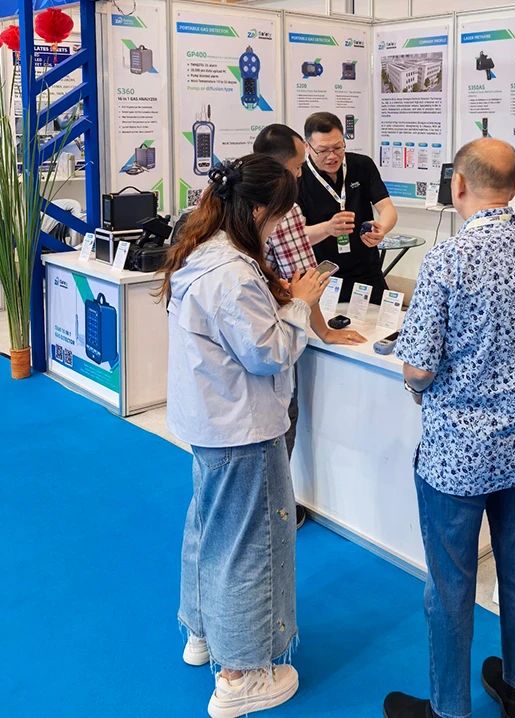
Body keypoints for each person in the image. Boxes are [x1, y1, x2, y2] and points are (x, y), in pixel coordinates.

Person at [384, 139, 515, 718]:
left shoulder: (446, 260)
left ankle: (449, 708)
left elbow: (418, 368)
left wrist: (418, 390)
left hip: (458, 455)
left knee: (450, 581)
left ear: (458, 185)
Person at [161, 155, 330, 718]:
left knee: (209, 529)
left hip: (211, 422)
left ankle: (202, 632)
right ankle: (240, 675)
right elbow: (269, 354)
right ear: (259, 210)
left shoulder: (202, 250)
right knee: (250, 545)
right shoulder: (232, 273)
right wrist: (301, 304)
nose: (282, 225)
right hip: (242, 428)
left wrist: (280, 299)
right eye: (280, 214)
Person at [253, 123, 367, 529]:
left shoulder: (228, 195)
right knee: (280, 420)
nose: (301, 174)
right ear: (280, 167)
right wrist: (325, 331)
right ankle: (274, 514)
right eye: (299, 165)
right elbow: (305, 280)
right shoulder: (284, 207)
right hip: (273, 333)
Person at [297, 111, 398, 303]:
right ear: (307, 146)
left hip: (366, 268)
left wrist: (382, 228)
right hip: (321, 276)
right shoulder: (297, 176)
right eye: (323, 150)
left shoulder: (362, 165)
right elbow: (296, 236)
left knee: (381, 320)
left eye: (338, 147)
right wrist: (327, 228)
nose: (332, 156)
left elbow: (387, 208)